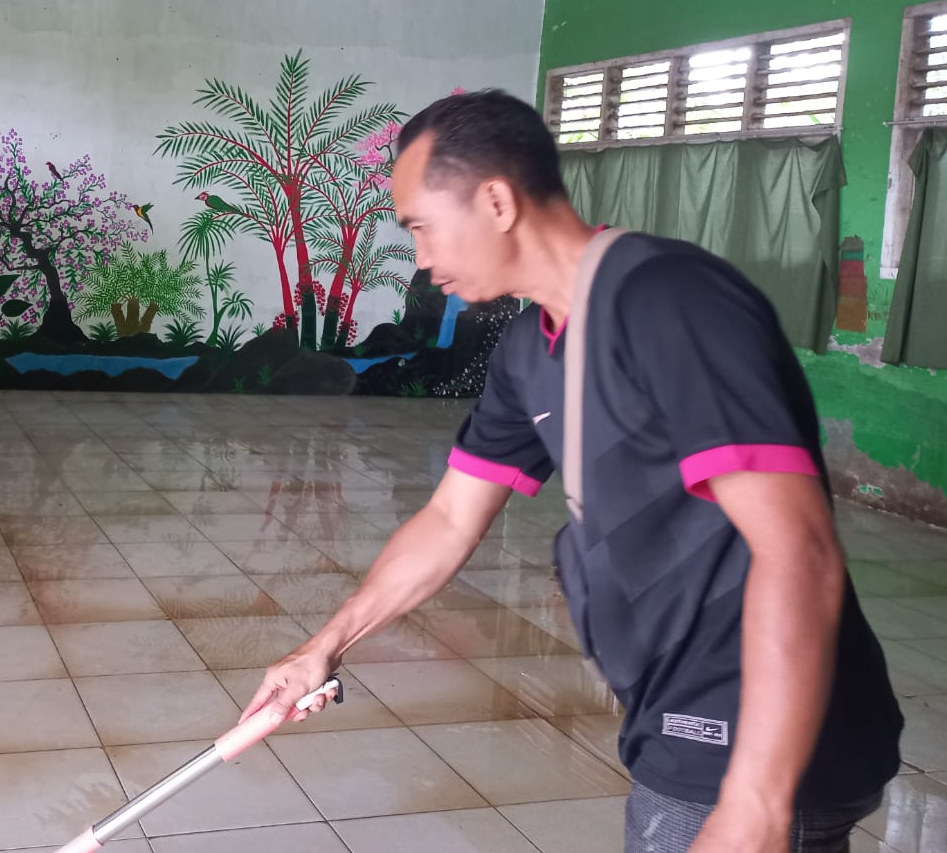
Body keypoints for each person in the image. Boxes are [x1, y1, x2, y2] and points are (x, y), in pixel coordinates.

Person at [245, 90, 901, 852]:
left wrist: (754, 804)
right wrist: (324, 645)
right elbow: (451, 518)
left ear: (496, 201)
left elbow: (798, 549)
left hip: (751, 729)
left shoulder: (670, 299)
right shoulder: (532, 346)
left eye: (421, 227)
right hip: (676, 706)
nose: (420, 258)